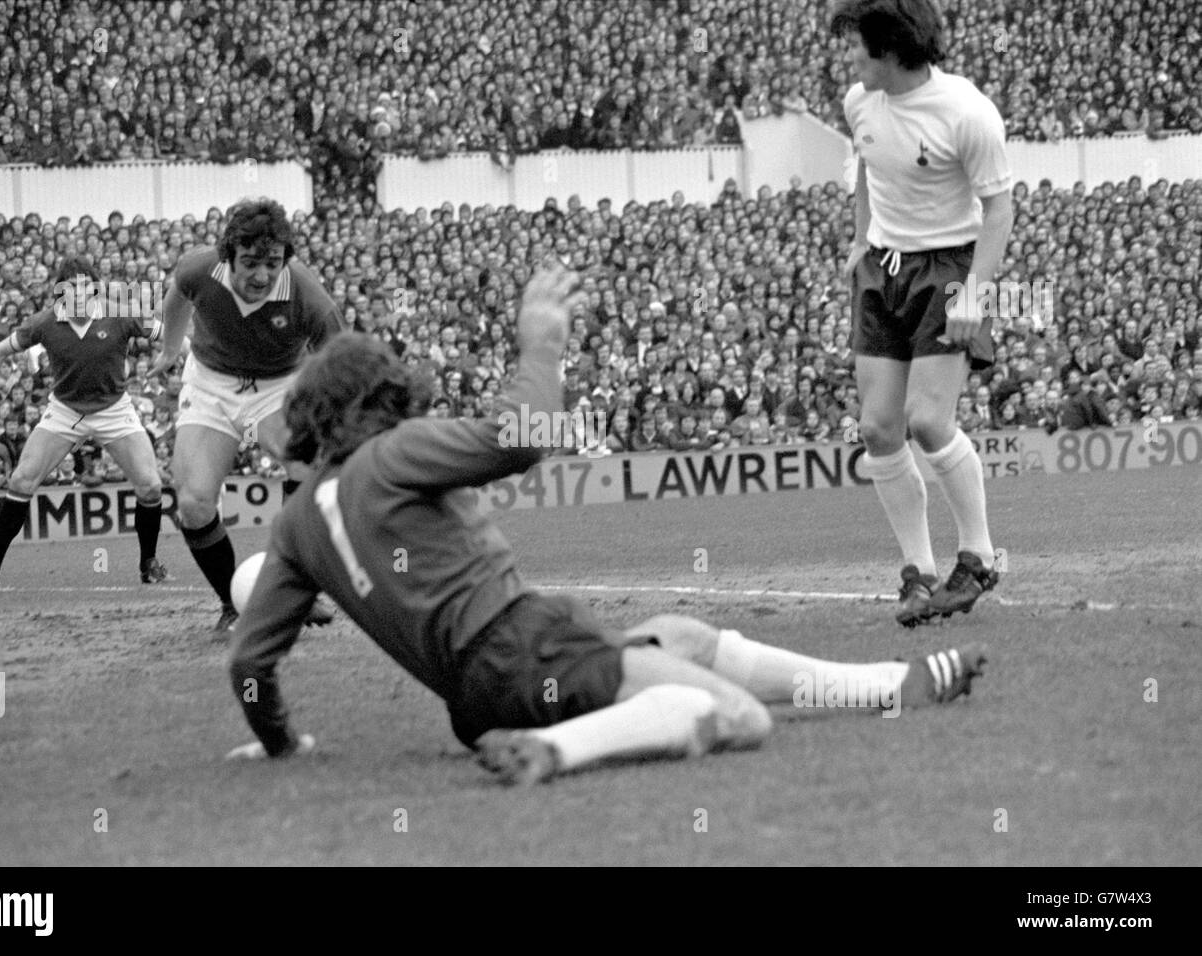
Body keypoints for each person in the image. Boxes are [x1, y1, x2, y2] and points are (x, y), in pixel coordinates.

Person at [225, 266, 986, 785]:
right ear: (378, 398)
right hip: (526, 646)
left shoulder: (295, 523)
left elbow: (250, 668)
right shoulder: (391, 452)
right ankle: (553, 750)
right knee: (736, 716)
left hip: (474, 696)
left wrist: (283, 745)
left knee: (680, 634)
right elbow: (523, 436)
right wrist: (542, 341)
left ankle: (886, 686)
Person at [832, 0, 1014, 627]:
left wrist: (975, 293)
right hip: (884, 268)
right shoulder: (860, 103)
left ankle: (980, 557)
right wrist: (860, 241)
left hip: (950, 266)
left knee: (928, 420)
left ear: (891, 50)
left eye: (858, 47)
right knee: (879, 429)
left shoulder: (967, 113)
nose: (850, 58)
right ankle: (918, 573)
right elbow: (865, 166)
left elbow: (999, 210)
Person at [149, 198, 345, 632]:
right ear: (227, 256)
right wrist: (169, 348)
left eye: (272, 263)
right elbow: (177, 298)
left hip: (278, 388)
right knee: (194, 503)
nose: (261, 275)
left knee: (308, 465)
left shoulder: (308, 296)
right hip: (210, 385)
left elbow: (341, 358)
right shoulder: (199, 269)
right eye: (250, 262)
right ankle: (234, 605)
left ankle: (293, 588)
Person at [0, 256, 168, 594]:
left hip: (114, 409)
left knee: (151, 486)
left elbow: (173, 336)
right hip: (65, 411)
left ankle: (148, 564)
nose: (78, 292)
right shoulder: (45, 322)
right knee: (21, 479)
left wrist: (193, 357)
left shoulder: (123, 312)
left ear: (94, 288)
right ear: (60, 292)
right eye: (71, 286)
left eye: (84, 285)